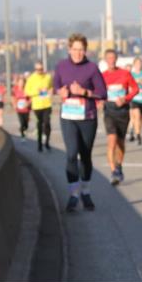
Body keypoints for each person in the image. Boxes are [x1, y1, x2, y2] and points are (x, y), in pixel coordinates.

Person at [53, 33, 107, 212]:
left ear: (86, 51)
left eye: (81, 50)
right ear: (69, 49)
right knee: (71, 154)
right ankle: (73, 193)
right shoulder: (61, 66)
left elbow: (102, 92)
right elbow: (56, 86)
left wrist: (84, 92)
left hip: (87, 117)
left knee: (85, 155)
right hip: (68, 117)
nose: (77, 53)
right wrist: (60, 92)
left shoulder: (92, 68)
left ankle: (86, 191)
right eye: (74, 49)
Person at [99, 49, 139, 186]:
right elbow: (98, 92)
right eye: (108, 58)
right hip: (109, 110)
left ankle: (119, 165)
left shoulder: (125, 73)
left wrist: (125, 98)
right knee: (112, 140)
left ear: (116, 59)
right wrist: (99, 101)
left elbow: (135, 89)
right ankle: (113, 171)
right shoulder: (102, 76)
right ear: (105, 60)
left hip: (122, 111)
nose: (111, 60)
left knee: (120, 143)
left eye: (113, 57)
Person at [25, 61, 53, 152]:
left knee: (47, 123)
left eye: (40, 69)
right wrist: (37, 91)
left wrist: (50, 91)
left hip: (47, 104)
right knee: (40, 124)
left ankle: (47, 142)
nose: (39, 71)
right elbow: (27, 92)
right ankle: (39, 144)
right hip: (37, 106)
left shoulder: (48, 77)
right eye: (37, 69)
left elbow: (51, 87)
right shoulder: (31, 78)